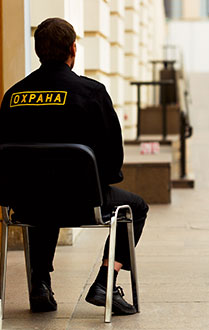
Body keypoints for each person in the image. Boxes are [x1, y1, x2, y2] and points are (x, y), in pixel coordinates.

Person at [0, 18, 148, 315]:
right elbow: (111, 160)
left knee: (41, 192)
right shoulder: (91, 93)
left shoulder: (13, 96)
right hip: (82, 203)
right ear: (73, 49)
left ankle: (40, 283)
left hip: (27, 205)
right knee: (136, 207)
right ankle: (105, 281)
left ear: (38, 50)